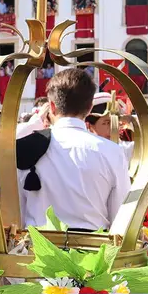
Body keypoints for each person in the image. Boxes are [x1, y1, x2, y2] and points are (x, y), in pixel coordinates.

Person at [15, 68, 129, 230]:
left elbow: (16, 215)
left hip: (38, 250)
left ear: (52, 107)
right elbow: (120, 216)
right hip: (94, 251)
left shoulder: (24, 147)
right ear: (90, 108)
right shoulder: (112, 152)